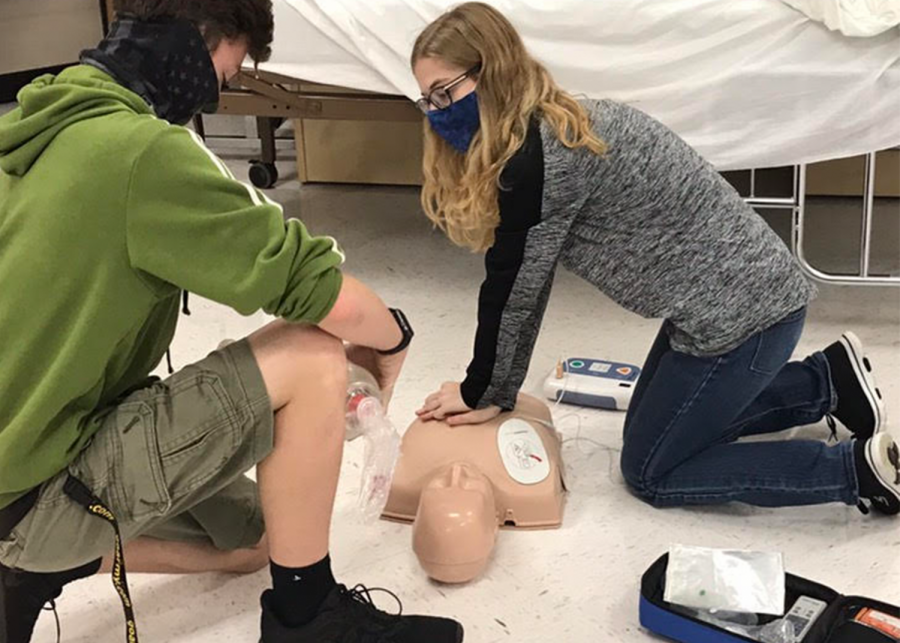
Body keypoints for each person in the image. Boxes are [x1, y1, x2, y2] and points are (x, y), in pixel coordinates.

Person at [0, 1, 464, 642]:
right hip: (33, 491)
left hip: (25, 463)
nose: (221, 92)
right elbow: (323, 291)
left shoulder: (36, 121)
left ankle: (36, 570)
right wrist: (394, 342)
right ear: (193, 44)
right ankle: (308, 622)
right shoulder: (141, 154)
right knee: (311, 355)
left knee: (262, 539)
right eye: (227, 73)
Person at [411, 3, 899, 517]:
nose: (438, 112)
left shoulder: (541, 159)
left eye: (446, 92)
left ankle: (855, 471)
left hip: (742, 323)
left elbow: (515, 291)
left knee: (652, 471)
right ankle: (827, 384)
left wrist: (483, 391)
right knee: (658, 432)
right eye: (426, 100)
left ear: (493, 69)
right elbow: (520, 284)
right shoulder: (556, 123)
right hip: (731, 305)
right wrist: (496, 387)